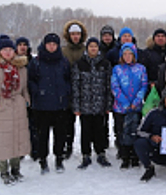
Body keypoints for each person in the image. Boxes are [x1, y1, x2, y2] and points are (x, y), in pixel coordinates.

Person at [0, 35, 31, 185]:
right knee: (3, 140)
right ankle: (4, 171)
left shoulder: (21, 69)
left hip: (19, 108)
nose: (8, 52)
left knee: (17, 139)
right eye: (5, 50)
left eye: (10, 49)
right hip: (3, 109)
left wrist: (27, 101)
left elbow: (24, 89)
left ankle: (16, 169)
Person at [28, 33, 71, 174]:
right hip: (41, 106)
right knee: (42, 136)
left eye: (54, 44)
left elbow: (69, 79)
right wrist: (37, 91)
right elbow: (31, 80)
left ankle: (59, 159)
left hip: (60, 105)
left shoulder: (63, 61)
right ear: (44, 45)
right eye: (49, 44)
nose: (51, 47)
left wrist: (66, 92)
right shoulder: (36, 62)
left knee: (60, 135)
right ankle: (43, 161)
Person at [72, 37, 113, 169]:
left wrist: (108, 104)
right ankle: (86, 155)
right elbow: (75, 85)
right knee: (85, 130)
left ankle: (101, 153)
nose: (93, 49)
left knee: (100, 130)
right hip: (85, 105)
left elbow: (108, 85)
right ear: (87, 48)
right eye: (91, 46)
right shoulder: (80, 64)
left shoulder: (105, 64)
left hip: (100, 105)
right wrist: (76, 106)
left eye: (95, 46)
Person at [111, 43, 148, 169]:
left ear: (134, 55)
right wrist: (125, 102)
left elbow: (144, 86)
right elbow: (115, 87)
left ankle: (135, 157)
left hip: (136, 107)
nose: (127, 56)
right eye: (125, 54)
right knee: (122, 132)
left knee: (135, 132)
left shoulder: (141, 68)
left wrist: (137, 101)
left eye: (130, 54)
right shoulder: (117, 69)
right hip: (121, 108)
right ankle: (124, 157)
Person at [62, 20, 88, 159]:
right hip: (68, 91)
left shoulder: (86, 50)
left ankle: (87, 148)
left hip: (85, 91)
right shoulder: (63, 51)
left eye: (78, 34)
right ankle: (68, 146)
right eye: (73, 34)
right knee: (68, 122)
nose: (75, 36)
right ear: (69, 35)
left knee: (86, 122)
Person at [16, 37, 38, 160]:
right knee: (19, 127)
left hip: (32, 99)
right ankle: (20, 152)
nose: (22, 47)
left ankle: (34, 151)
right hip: (16, 99)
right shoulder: (11, 62)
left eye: (25, 44)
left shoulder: (33, 62)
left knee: (33, 126)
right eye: (20, 45)